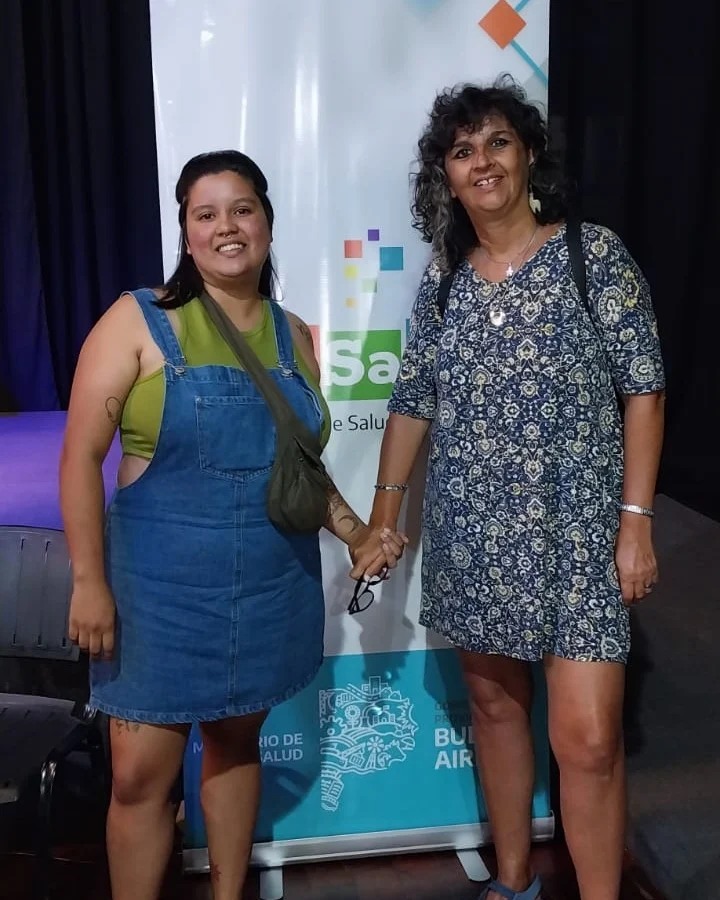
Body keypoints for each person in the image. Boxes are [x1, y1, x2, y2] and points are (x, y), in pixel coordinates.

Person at [59, 149, 405, 900]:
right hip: (158, 599)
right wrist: (88, 580)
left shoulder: (295, 337)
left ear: (267, 224)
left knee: (237, 746)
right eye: (206, 214)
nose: (227, 227)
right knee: (138, 778)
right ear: (186, 234)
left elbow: (300, 473)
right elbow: (80, 459)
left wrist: (355, 533)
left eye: (242, 209)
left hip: (269, 589)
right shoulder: (138, 320)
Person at [352, 77, 665, 900]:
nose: (482, 162)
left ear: (528, 154)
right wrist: (384, 519)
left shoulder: (591, 254)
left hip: (578, 539)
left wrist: (635, 523)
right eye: (463, 151)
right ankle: (514, 879)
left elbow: (645, 389)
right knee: (495, 712)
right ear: (447, 179)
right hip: (473, 536)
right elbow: (412, 400)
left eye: (497, 142)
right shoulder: (445, 277)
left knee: (589, 741)